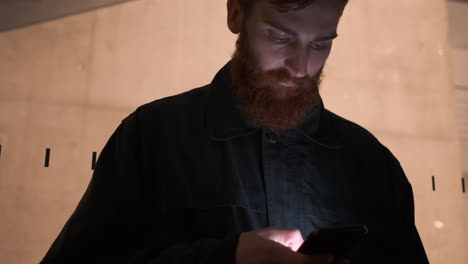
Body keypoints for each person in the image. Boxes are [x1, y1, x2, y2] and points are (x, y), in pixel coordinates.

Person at [41, 0, 430, 263]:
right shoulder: (152, 136)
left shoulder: (371, 162)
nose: (300, 67)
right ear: (235, 13)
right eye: (280, 37)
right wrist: (228, 257)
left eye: (321, 43)